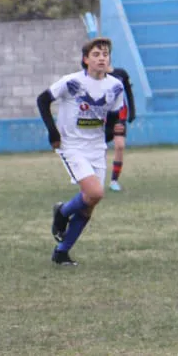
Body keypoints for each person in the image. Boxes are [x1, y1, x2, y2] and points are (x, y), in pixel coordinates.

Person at [37, 37, 126, 267]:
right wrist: (53, 133)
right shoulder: (72, 82)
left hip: (96, 148)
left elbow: (115, 115)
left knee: (89, 203)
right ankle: (63, 212)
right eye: (96, 54)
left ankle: (61, 251)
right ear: (86, 59)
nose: (102, 58)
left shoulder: (115, 85)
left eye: (105, 54)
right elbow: (42, 100)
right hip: (72, 146)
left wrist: (111, 132)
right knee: (95, 192)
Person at [107, 66, 136, 192]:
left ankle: (114, 181)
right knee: (98, 148)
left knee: (119, 146)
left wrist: (132, 111)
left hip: (120, 115)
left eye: (106, 53)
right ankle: (93, 178)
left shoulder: (121, 73)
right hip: (103, 116)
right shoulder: (96, 75)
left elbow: (129, 92)